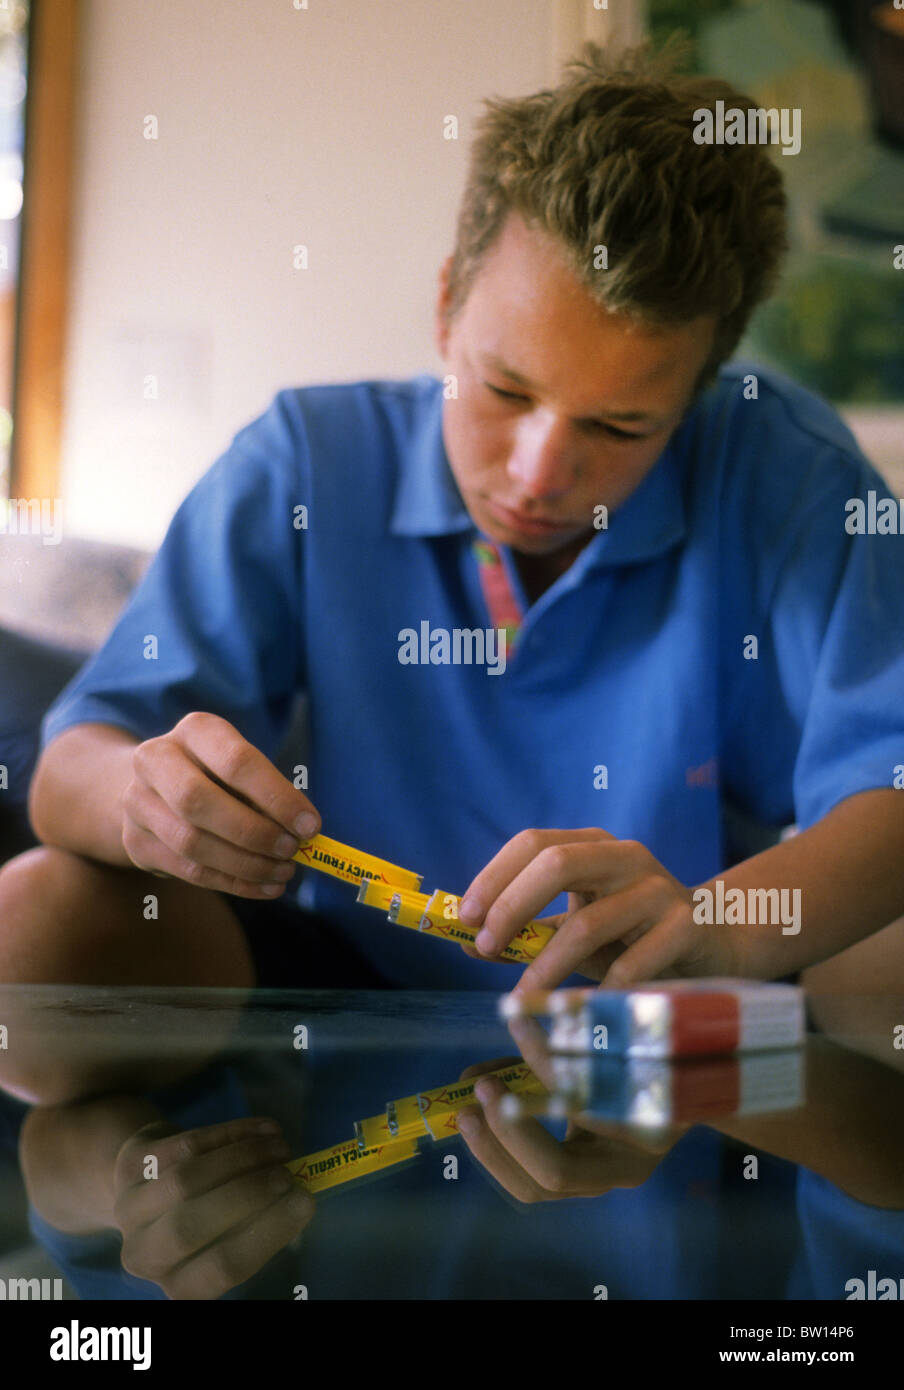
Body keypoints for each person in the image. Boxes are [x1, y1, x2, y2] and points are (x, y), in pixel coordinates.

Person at [3, 41, 904, 1041]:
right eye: (505, 389)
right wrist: (145, 799)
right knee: (36, 914)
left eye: (619, 427)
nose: (536, 473)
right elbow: (67, 772)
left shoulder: (794, 476)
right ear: (444, 306)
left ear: (698, 393)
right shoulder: (307, 460)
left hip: (691, 1013)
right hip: (340, 973)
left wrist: (717, 924)